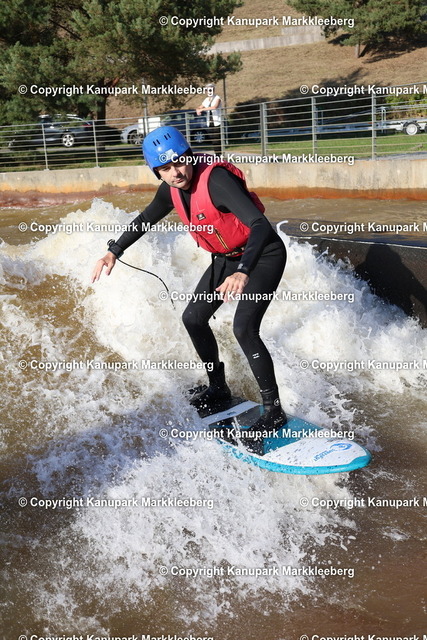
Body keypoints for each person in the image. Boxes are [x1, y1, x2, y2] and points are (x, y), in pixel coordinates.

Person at [92, 125, 287, 454]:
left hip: (263, 254)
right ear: (156, 171)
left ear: (190, 156)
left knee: (244, 328)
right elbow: (146, 218)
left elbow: (259, 225)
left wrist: (243, 271)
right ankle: (218, 387)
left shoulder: (217, 181)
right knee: (193, 318)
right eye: (166, 168)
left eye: (180, 162)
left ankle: (274, 411)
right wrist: (114, 251)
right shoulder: (170, 189)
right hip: (227, 259)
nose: (176, 172)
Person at [196, 83, 222, 155]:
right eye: (207, 90)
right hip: (210, 122)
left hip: (217, 122)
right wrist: (198, 109)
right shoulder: (206, 99)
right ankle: (217, 154)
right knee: (213, 139)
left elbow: (214, 107)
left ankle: (219, 154)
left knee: (217, 139)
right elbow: (200, 106)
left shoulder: (217, 98)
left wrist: (202, 109)